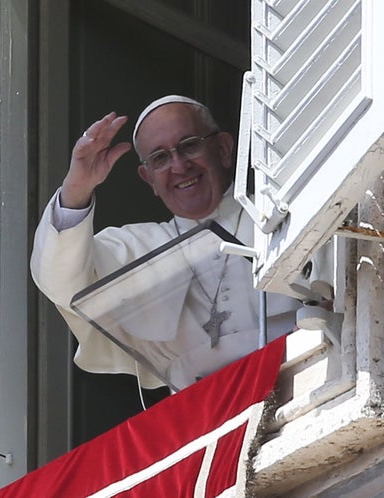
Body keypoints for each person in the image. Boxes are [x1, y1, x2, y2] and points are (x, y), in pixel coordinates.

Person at [30, 95, 299, 391]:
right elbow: (60, 282)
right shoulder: (137, 246)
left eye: (190, 145)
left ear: (223, 149)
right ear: (149, 180)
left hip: (300, 381)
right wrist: (77, 188)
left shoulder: (285, 211)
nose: (180, 165)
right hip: (200, 417)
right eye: (160, 158)